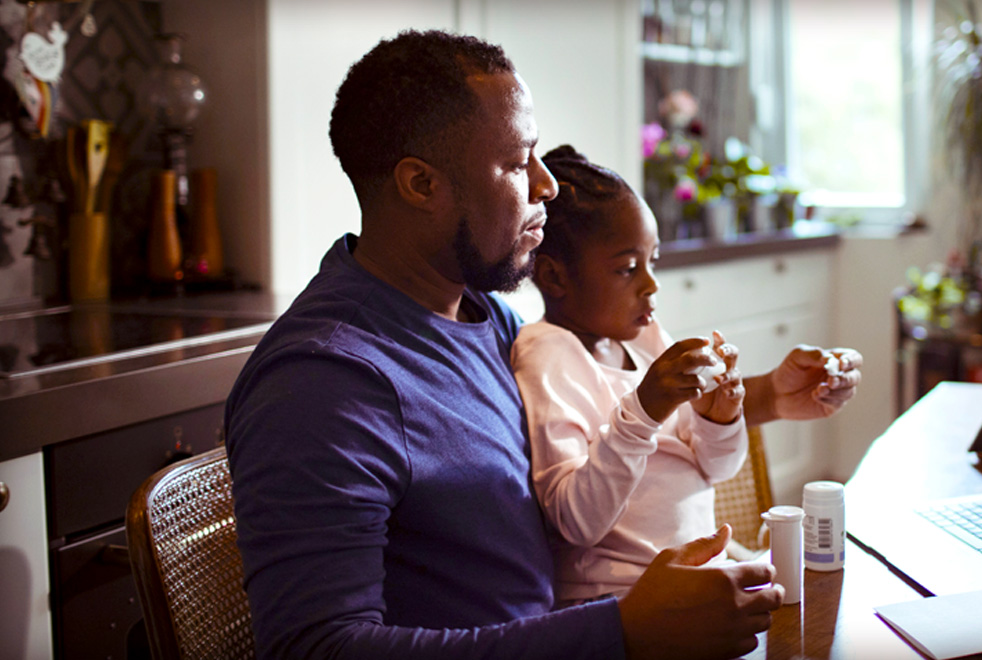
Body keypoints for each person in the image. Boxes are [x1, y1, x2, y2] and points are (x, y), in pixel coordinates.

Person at [225, 31, 790, 659]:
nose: (546, 185)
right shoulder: (324, 384)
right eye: (518, 162)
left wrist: (763, 394)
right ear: (421, 185)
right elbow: (315, 650)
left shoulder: (485, 318)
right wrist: (621, 631)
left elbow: (612, 409)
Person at [511, 145, 863, 604]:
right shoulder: (549, 355)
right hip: (623, 604)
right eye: (627, 268)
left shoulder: (643, 340)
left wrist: (719, 420)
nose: (651, 284)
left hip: (697, 583)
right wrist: (643, 412)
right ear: (556, 278)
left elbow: (715, 468)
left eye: (652, 261)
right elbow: (576, 521)